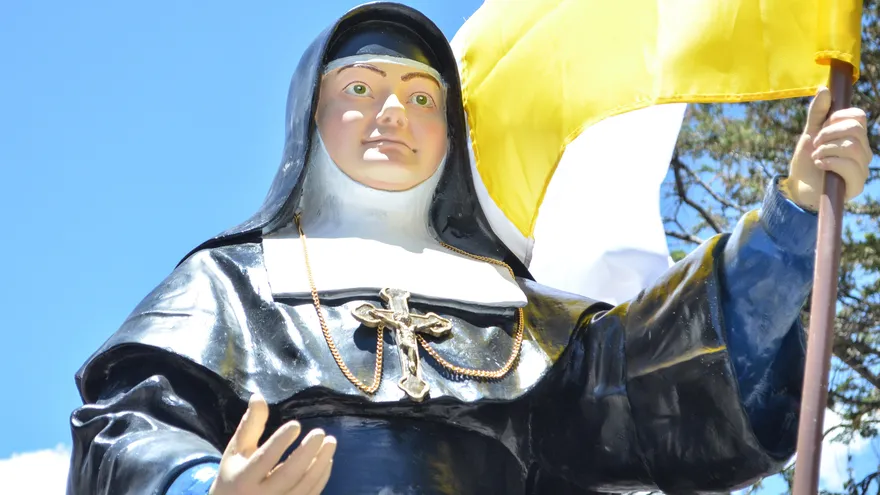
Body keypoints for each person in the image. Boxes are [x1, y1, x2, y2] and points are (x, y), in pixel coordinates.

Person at [67, 2, 874, 494]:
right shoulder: (232, 285)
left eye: (420, 97)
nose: (392, 112)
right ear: (311, 118)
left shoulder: (510, 308)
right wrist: (204, 488)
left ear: (448, 132)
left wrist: (795, 214)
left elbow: (656, 372)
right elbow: (128, 427)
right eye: (361, 88)